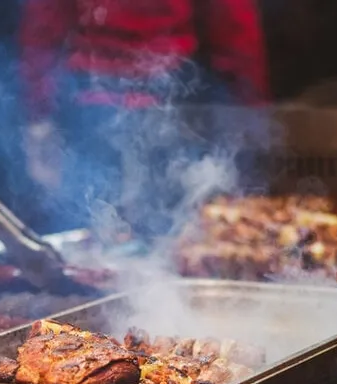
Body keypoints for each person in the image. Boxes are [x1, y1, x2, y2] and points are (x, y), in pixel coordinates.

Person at [18, 0, 270, 238]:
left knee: (111, 231)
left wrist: (38, 116)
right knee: (170, 229)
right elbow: (233, 27)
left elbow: (43, 26)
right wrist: (250, 103)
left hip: (121, 104)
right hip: (158, 102)